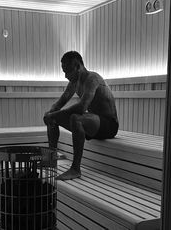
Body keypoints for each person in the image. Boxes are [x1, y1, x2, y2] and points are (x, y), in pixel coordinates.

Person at [43, 51, 119, 180]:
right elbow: (60, 102)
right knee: (53, 118)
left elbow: (81, 107)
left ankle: (75, 169)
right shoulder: (74, 82)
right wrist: (50, 113)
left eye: (68, 71)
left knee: (75, 118)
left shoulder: (92, 79)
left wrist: (54, 114)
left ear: (78, 66)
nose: (66, 76)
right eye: (64, 72)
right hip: (93, 121)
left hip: (108, 125)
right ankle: (51, 159)